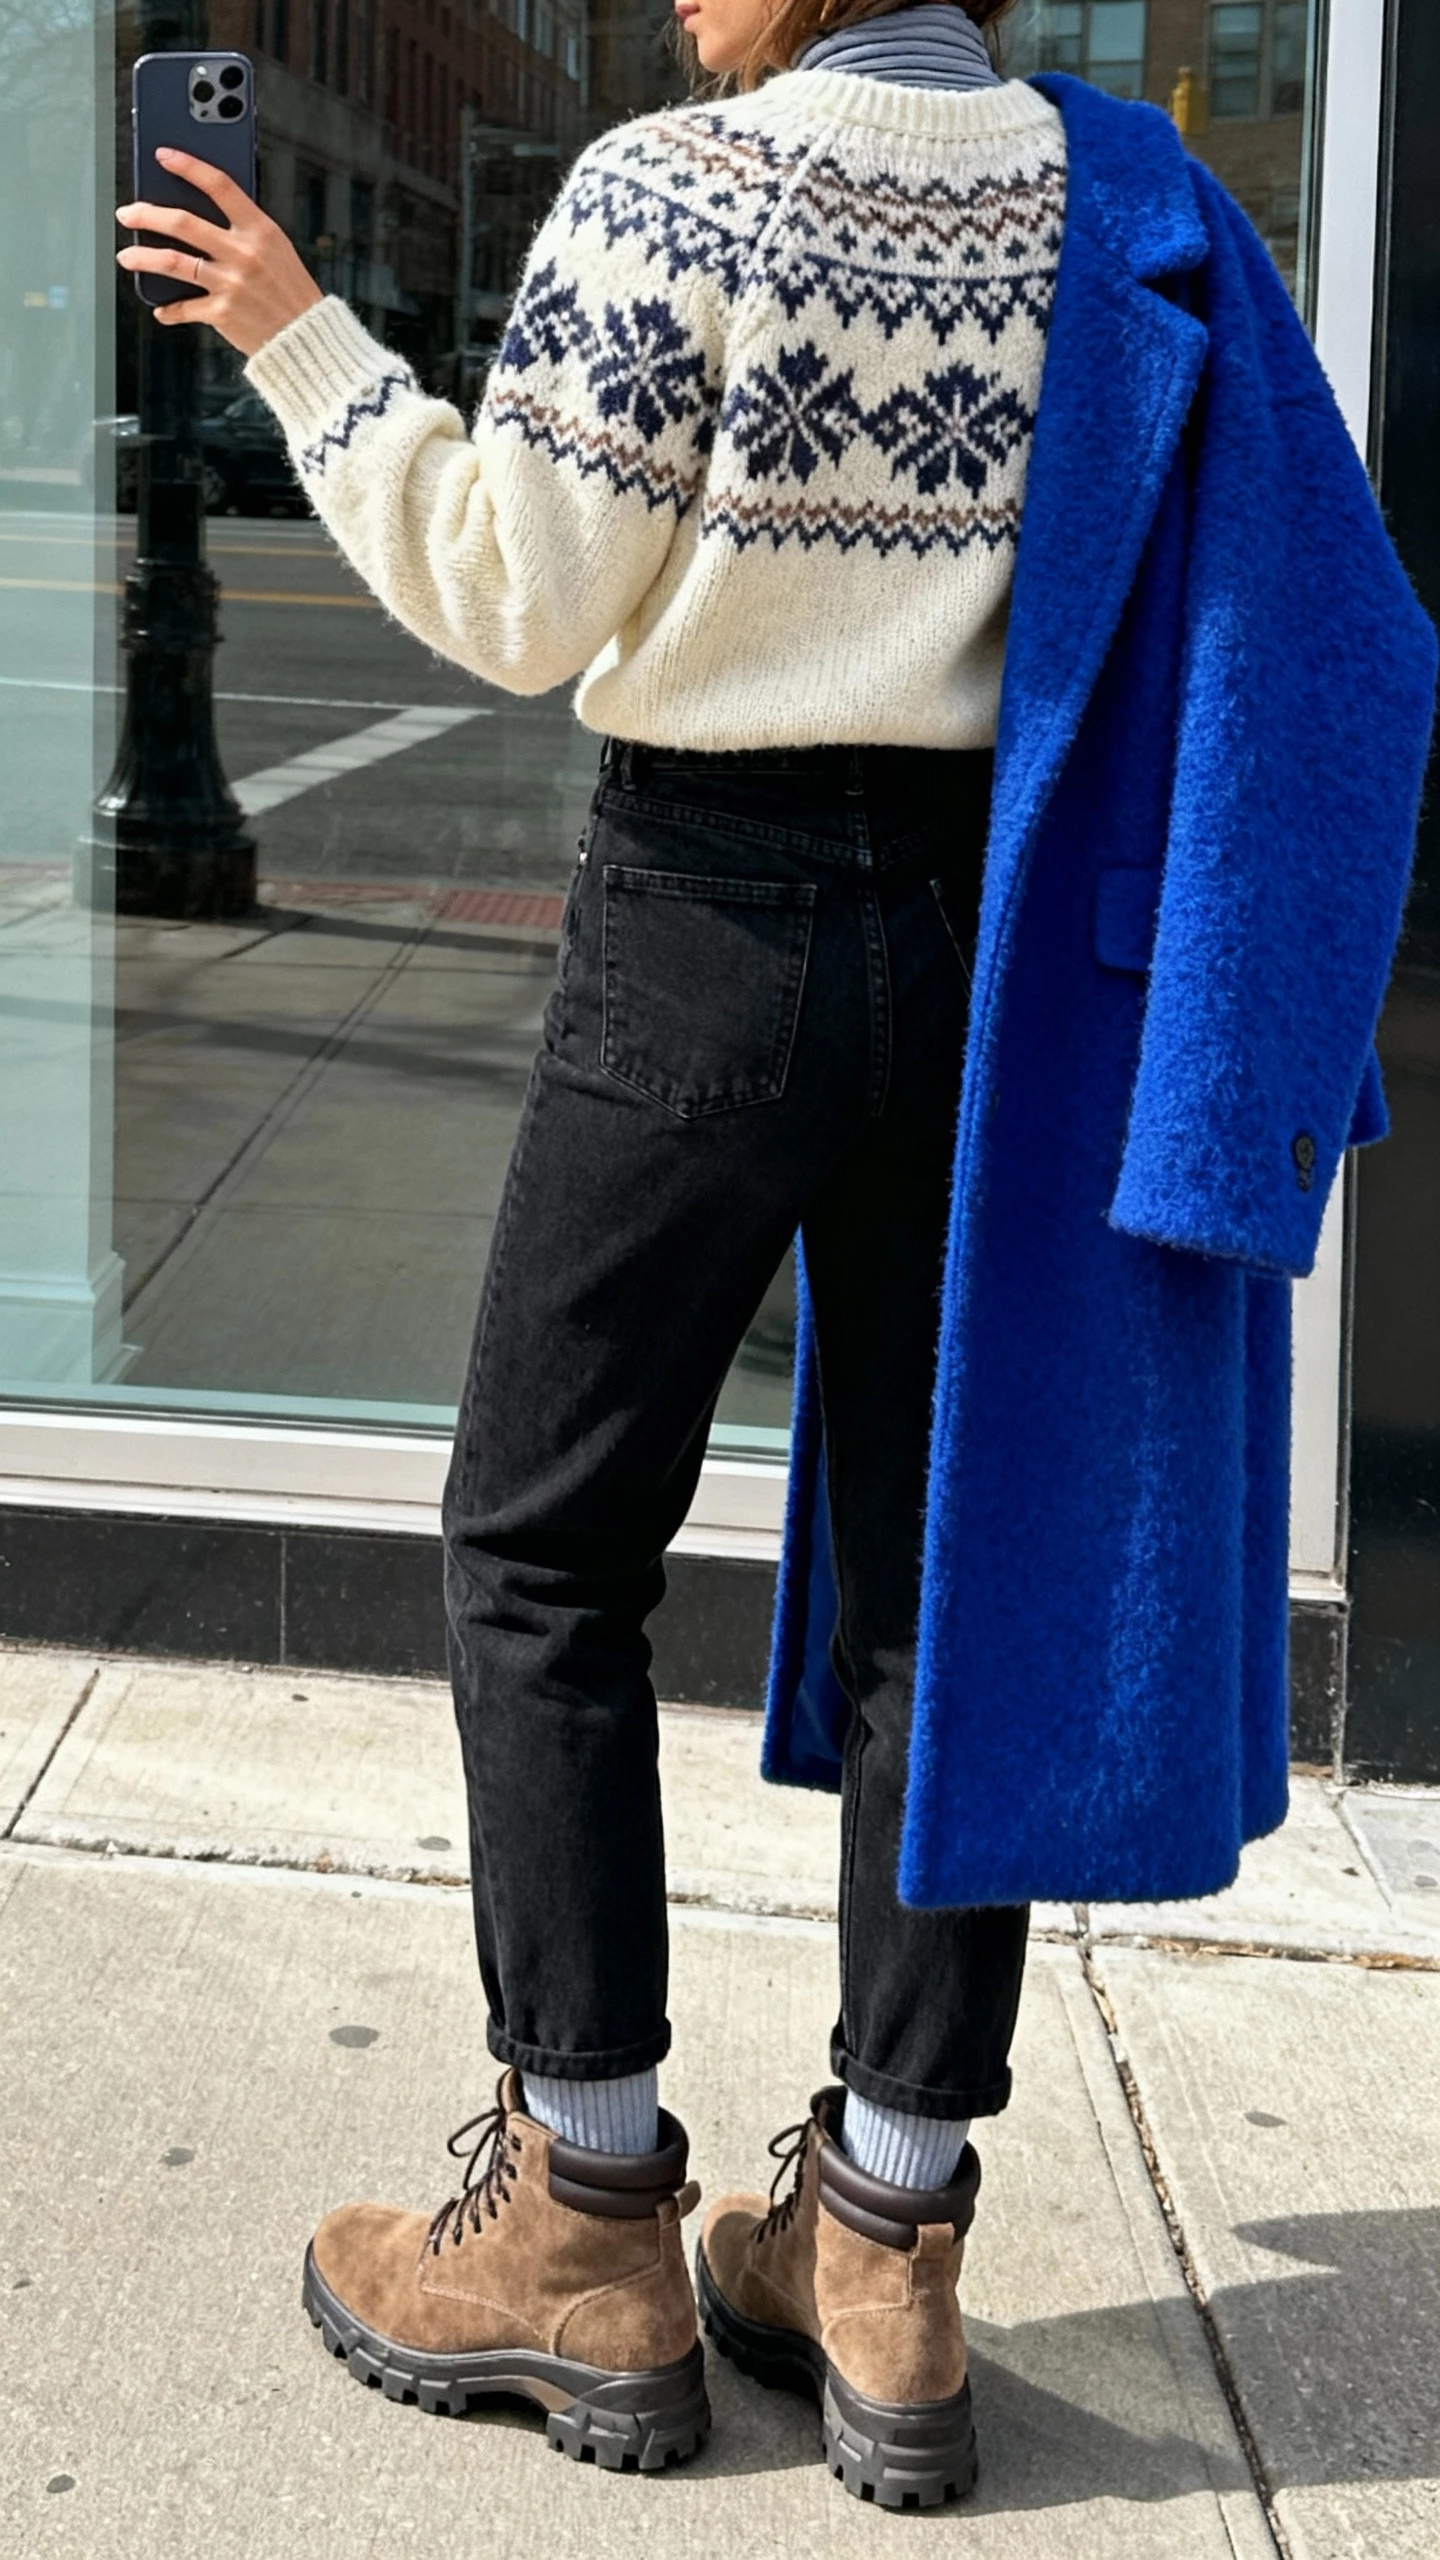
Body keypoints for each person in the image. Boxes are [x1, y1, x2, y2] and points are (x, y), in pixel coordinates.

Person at [117, 0, 1435, 2513]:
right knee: (953, 1588)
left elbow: (514, 591)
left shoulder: (680, 189)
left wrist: (297, 329)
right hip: (1013, 958)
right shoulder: (1134, 203)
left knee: (539, 1538)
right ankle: (891, 2241)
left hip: (709, 933)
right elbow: (1323, 626)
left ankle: (587, 2211)